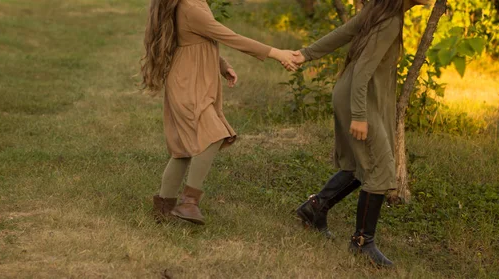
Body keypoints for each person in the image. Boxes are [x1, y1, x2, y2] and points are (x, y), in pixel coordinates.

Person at [286, 0, 431, 267]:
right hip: (358, 97)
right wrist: (360, 116)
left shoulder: (380, 11)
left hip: (354, 93)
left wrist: (305, 54)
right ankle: (362, 243)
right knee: (380, 165)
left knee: (359, 163)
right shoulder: (390, 21)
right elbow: (363, 69)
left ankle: (314, 209)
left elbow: (341, 33)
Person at [141, 0, 298, 225]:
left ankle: (162, 210)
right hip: (188, 83)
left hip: (194, 80)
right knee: (213, 134)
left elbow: (201, 38)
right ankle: (188, 202)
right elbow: (230, 37)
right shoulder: (190, 8)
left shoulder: (197, 3)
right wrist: (276, 53)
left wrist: (222, 65)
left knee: (184, 150)